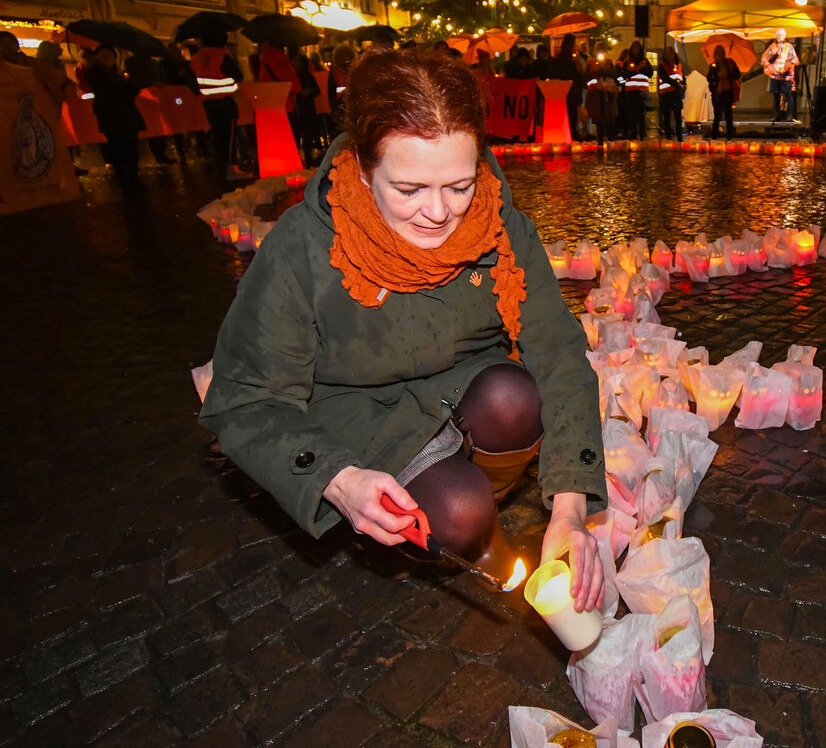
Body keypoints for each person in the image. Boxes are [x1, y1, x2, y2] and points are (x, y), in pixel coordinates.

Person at [199, 50, 606, 611]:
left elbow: (558, 351)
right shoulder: (301, 247)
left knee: (516, 397)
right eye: (409, 189)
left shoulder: (502, 227)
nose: (438, 213)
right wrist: (338, 480)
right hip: (355, 412)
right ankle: (449, 516)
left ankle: (452, 492)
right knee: (460, 511)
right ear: (365, 169)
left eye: (459, 186)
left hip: (459, 388)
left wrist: (570, 512)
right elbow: (244, 399)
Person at [85, 44, 146, 189]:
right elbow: (104, 90)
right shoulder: (94, 72)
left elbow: (128, 92)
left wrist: (131, 85)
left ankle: (133, 177)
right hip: (111, 115)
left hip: (126, 113)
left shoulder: (115, 72)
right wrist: (122, 85)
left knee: (131, 148)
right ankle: (124, 179)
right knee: (118, 148)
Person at [191, 30, 244, 185]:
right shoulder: (222, 55)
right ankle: (231, 169)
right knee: (230, 137)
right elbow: (238, 76)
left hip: (208, 103)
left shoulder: (197, 58)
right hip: (225, 102)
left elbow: (193, 82)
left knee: (218, 136)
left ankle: (221, 169)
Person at [548, 33, 584, 140]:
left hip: (565, 93)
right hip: (570, 92)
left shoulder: (561, 57)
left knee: (568, 116)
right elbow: (574, 75)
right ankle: (571, 136)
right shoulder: (568, 60)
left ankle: (568, 135)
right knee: (571, 115)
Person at [290, 51, 322, 167]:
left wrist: (309, 91)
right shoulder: (290, 75)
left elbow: (317, 89)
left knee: (307, 137)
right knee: (296, 137)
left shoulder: (306, 75)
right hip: (296, 110)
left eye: (297, 60)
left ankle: (308, 161)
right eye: (293, 60)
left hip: (306, 110)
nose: (295, 63)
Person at [762, 29, 799, 121]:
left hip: (786, 76)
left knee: (788, 94)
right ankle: (777, 115)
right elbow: (765, 59)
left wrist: (790, 64)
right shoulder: (772, 47)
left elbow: (795, 59)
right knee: (776, 95)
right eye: (778, 35)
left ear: (785, 36)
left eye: (782, 35)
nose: (780, 37)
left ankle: (789, 115)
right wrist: (769, 64)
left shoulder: (789, 47)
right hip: (775, 75)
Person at [617, 41, 652, 140]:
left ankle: (641, 137)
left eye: (637, 48)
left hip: (642, 92)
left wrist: (639, 69)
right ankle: (633, 137)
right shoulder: (628, 62)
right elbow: (624, 75)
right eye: (634, 48)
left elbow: (650, 73)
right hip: (631, 93)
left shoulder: (645, 61)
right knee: (631, 117)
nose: (635, 50)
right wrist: (637, 70)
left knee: (641, 117)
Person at [585, 45, 619, 144]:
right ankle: (600, 139)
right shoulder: (591, 63)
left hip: (608, 94)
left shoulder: (608, 62)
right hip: (596, 94)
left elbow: (614, 73)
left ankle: (610, 138)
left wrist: (604, 70)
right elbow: (587, 76)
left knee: (609, 116)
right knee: (598, 117)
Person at [706, 45, 741, 139]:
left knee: (728, 115)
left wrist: (729, 73)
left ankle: (730, 136)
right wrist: (717, 76)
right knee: (717, 115)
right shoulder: (714, 65)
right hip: (718, 93)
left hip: (728, 92)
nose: (719, 55)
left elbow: (737, 74)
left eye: (721, 53)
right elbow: (709, 78)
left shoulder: (730, 63)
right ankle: (714, 136)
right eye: (717, 53)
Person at [656, 47, 685, 141]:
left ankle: (680, 138)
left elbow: (682, 77)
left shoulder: (678, 65)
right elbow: (665, 78)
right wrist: (677, 85)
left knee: (678, 117)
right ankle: (669, 137)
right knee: (667, 117)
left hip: (676, 94)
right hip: (666, 94)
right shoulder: (662, 66)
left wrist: (684, 86)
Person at [327, 44, 355, 119]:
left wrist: (333, 108)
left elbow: (331, 91)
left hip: (341, 104)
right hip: (349, 103)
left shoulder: (334, 71)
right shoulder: (355, 67)